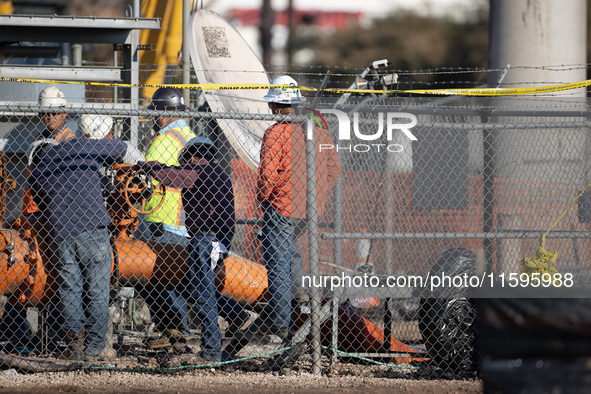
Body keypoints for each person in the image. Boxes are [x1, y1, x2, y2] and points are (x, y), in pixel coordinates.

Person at [27, 133, 144, 362]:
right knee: (97, 292)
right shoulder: (80, 147)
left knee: (69, 291)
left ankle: (74, 347)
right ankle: (94, 349)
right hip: (94, 230)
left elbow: (43, 206)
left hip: (61, 235)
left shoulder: (37, 174)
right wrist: (144, 170)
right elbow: (123, 148)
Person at [142, 137, 247, 363]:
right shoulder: (218, 172)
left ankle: (211, 352)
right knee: (199, 286)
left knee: (202, 293)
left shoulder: (198, 172)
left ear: (191, 157)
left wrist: (146, 165)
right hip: (220, 239)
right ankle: (237, 314)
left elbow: (171, 176)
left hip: (206, 238)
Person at [256, 75, 341, 339]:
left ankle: (281, 324)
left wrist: (262, 197)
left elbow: (267, 175)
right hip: (308, 211)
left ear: (280, 106)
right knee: (291, 254)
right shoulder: (317, 131)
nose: (271, 111)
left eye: (273, 106)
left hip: (281, 207)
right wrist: (316, 198)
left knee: (278, 263)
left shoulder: (276, 132)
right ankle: (303, 298)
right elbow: (334, 170)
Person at [133, 87, 197, 351]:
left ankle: (176, 333)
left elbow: (141, 181)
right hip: (185, 221)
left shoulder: (164, 141)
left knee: (149, 277)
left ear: (161, 114)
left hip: (160, 221)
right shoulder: (189, 136)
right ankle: (175, 336)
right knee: (175, 280)